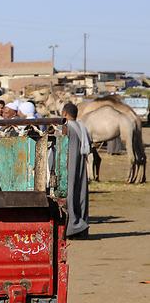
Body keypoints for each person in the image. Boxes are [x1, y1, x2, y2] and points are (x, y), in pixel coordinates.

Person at [61, 102, 90, 238]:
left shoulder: (66, 127)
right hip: (81, 164)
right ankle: (82, 226)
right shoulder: (82, 126)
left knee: (70, 193)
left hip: (69, 164)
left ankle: (73, 226)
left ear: (64, 114)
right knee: (81, 193)